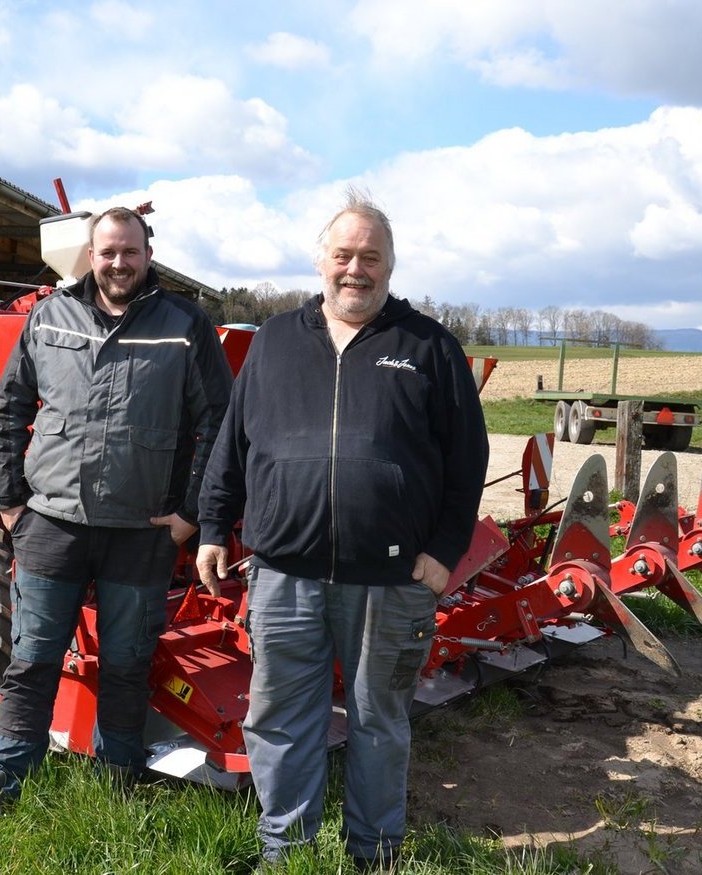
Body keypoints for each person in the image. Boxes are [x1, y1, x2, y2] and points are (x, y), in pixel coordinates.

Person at [196, 191, 488, 870]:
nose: (356, 269)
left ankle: (374, 852)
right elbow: (233, 444)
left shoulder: (429, 347)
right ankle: (285, 850)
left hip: (391, 580)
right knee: (279, 717)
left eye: (371, 257)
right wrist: (213, 525)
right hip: (283, 574)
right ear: (320, 261)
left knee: (378, 719)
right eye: (344, 254)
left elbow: (467, 459)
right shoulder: (274, 342)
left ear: (390, 265)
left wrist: (444, 550)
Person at [0, 206, 233, 827]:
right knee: (32, 662)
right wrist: (10, 500)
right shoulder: (51, 316)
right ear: (91, 255)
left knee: (127, 667)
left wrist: (190, 512)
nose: (119, 263)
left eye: (130, 252)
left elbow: (220, 423)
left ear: (148, 255)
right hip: (51, 523)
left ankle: (117, 784)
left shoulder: (185, 325)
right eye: (108, 252)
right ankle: (1, 784)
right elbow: (9, 407)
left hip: (141, 531)